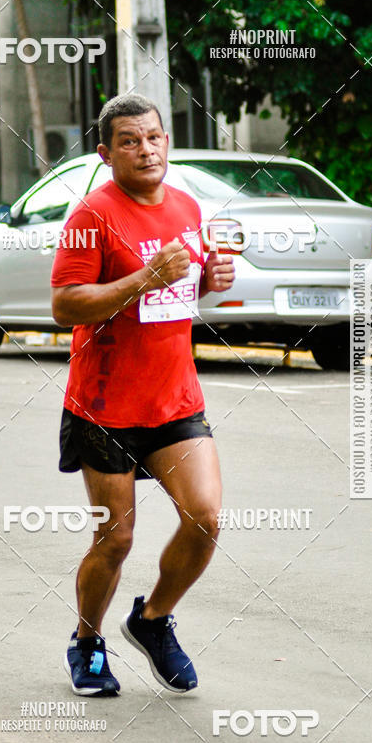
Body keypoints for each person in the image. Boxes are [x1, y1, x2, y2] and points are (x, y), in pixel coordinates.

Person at [51, 93, 234, 696]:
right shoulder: (92, 216)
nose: (145, 148)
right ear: (106, 154)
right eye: (129, 140)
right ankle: (87, 645)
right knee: (116, 537)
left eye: (153, 137)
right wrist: (141, 278)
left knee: (204, 518)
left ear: (167, 142)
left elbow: (176, 297)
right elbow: (64, 305)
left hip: (175, 400)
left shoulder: (186, 207)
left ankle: (152, 620)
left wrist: (210, 281)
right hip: (104, 406)